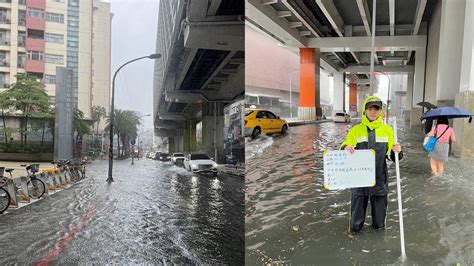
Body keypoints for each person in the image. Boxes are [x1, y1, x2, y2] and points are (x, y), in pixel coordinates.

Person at [340, 95, 403, 232]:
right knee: (355, 225)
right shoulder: (356, 130)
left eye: (376, 109)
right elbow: (345, 145)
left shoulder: (388, 130)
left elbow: (393, 157)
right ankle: (355, 242)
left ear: (380, 111)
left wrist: (397, 150)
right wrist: (346, 148)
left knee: (379, 225)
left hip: (380, 179)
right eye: (370, 108)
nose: (373, 112)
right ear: (364, 110)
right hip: (359, 180)